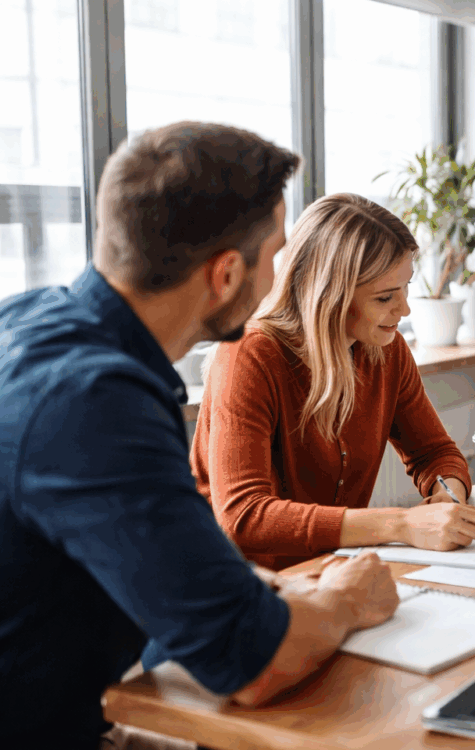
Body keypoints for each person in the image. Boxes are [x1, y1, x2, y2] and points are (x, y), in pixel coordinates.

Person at [0, 122, 400, 750]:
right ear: (225, 275)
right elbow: (253, 663)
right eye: (276, 256)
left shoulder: (33, 324)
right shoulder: (95, 404)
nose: (282, 278)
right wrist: (347, 599)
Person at [192, 192, 475, 571]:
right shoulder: (249, 356)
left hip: (331, 569)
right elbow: (244, 517)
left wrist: (447, 497)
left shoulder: (386, 349)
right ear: (328, 296)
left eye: (406, 288)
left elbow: (434, 454)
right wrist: (400, 524)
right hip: (241, 582)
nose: (404, 309)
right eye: (385, 297)